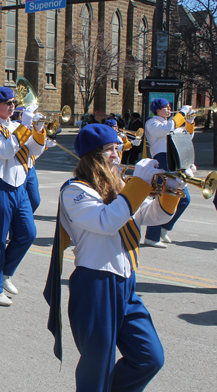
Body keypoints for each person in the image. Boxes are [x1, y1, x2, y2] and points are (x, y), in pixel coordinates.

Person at [44, 123, 183, 391]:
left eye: (118, 148)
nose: (117, 155)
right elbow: (107, 221)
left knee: (149, 358)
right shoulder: (74, 191)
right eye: (110, 149)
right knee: (97, 371)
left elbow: (153, 216)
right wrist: (139, 183)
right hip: (95, 285)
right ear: (93, 155)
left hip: (125, 283)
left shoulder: (119, 186)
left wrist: (172, 190)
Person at [0, 86, 46, 306]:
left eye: (14, 103)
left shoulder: (16, 126)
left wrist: (38, 129)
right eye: (8, 103)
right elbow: (5, 150)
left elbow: (35, 151)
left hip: (19, 185)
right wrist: (25, 126)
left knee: (27, 234)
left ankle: (4, 274)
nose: (13, 106)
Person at [144, 98, 194, 248]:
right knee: (161, 200)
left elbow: (187, 136)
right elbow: (168, 127)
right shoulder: (152, 123)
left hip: (174, 162)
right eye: (165, 107)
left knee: (184, 199)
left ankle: (164, 228)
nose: (168, 109)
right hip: (162, 162)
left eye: (169, 107)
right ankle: (151, 237)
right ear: (157, 110)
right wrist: (182, 113)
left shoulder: (171, 123)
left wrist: (189, 122)